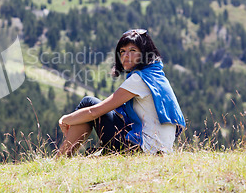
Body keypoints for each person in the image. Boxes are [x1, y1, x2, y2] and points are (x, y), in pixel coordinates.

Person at [57, 29, 185, 156]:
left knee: (88, 103)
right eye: (122, 51)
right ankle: (91, 154)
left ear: (145, 53)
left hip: (143, 149)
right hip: (159, 150)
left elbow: (94, 112)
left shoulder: (139, 79)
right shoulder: (156, 75)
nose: (126, 56)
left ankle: (60, 158)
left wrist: (65, 119)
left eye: (132, 50)